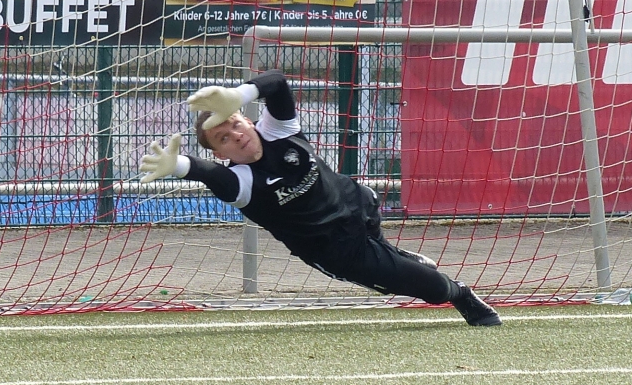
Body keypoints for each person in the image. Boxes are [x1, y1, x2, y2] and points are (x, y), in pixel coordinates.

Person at [138, 71, 502, 326]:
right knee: (429, 288)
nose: (235, 134)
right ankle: (461, 296)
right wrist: (180, 163)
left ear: (247, 121)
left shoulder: (278, 130)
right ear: (221, 152)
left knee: (373, 212)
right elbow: (207, 173)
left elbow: (277, 82)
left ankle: (395, 254)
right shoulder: (241, 182)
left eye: (235, 122)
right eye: (222, 138)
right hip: (336, 250)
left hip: (358, 203)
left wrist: (238, 94)